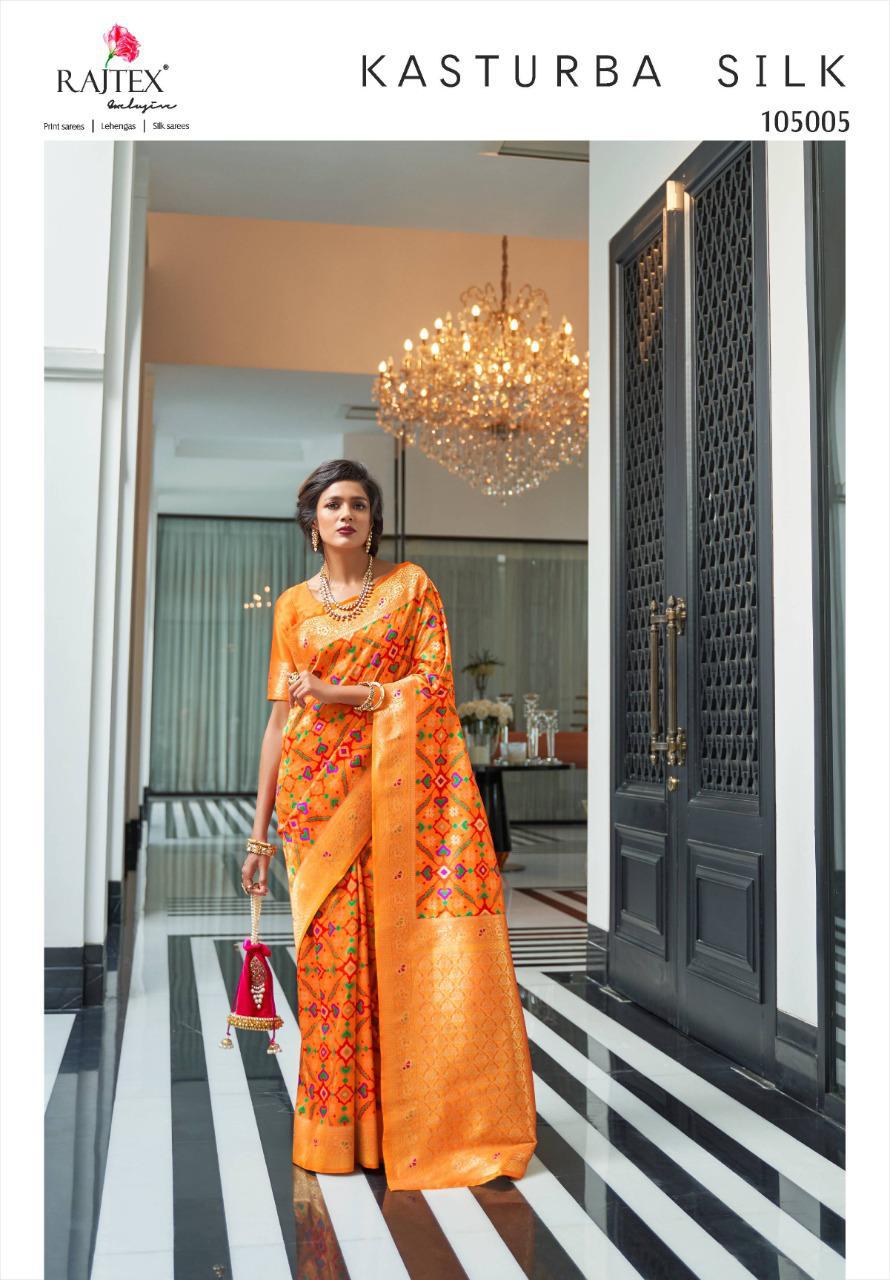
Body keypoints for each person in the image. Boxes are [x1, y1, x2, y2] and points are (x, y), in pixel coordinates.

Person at [245, 458, 536, 1191]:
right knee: (330, 963)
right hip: (313, 805)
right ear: (312, 522)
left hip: (396, 792)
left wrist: (344, 692)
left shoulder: (410, 589)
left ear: (374, 521)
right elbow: (279, 723)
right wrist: (258, 831)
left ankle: (406, 1124)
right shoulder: (291, 608)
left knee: (393, 949)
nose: (345, 514)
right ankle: (336, 1131)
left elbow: (433, 686)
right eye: (332, 504)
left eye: (358, 504)